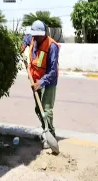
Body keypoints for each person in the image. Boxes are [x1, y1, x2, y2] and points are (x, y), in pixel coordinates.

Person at [20, 20, 60, 149]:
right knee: (38, 109)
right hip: (34, 80)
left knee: (46, 110)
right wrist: (24, 44)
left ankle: (51, 136)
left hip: (48, 81)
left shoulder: (52, 46)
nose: (35, 38)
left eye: (38, 35)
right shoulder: (32, 38)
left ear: (44, 33)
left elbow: (53, 71)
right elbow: (26, 38)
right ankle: (45, 131)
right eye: (34, 35)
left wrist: (41, 83)